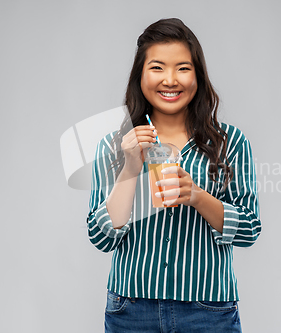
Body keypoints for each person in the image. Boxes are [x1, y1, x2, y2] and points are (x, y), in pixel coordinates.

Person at [87, 18, 261, 333]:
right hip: (131, 310)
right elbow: (101, 237)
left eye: (182, 68)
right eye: (157, 68)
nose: (170, 80)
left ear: (198, 75)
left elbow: (249, 229)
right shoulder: (114, 146)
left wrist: (197, 196)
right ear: (140, 76)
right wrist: (129, 168)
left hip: (208, 310)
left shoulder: (231, 143)